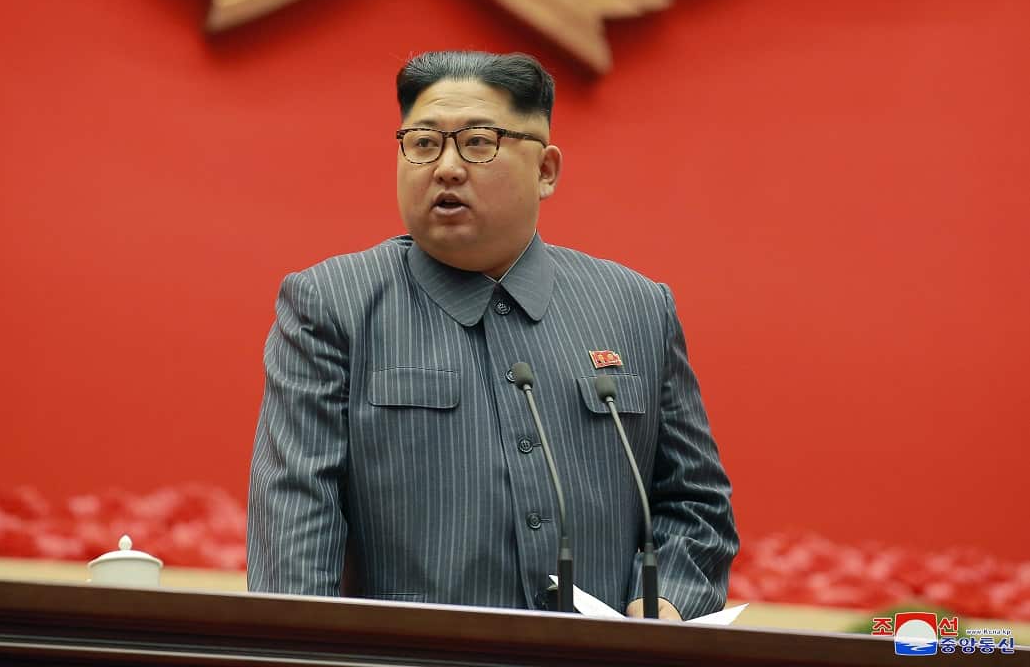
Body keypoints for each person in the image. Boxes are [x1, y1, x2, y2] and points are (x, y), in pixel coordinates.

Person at [247, 50, 737, 620]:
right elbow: (295, 520)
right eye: (424, 143)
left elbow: (694, 503)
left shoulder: (636, 308)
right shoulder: (334, 304)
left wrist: (667, 603)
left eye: (478, 142)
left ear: (546, 170)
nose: (447, 167)